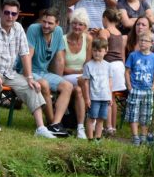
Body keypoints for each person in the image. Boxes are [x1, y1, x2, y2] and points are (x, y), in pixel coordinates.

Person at [0, 0, 58, 139]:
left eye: (13, 14)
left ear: (18, 15)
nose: (10, 16)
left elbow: (25, 54)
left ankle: (40, 127)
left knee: (32, 86)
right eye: (7, 13)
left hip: (9, 73)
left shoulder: (18, 28)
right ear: (1, 12)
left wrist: (30, 77)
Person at [27, 9, 74, 135]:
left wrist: (59, 81)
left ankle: (55, 125)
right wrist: (29, 76)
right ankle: (52, 122)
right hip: (28, 69)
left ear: (57, 23)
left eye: (50, 23)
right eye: (44, 22)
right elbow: (27, 55)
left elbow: (59, 59)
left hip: (43, 71)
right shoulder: (33, 29)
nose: (46, 26)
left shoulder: (58, 32)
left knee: (67, 86)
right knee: (44, 84)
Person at [125, 31, 154, 145]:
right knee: (133, 113)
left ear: (151, 43)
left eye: (145, 41)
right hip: (135, 88)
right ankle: (135, 136)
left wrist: (153, 87)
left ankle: (143, 136)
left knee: (146, 114)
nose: (142, 43)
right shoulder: (133, 55)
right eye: (141, 40)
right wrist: (129, 86)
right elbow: (127, 71)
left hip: (147, 90)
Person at [62, 9, 91, 139]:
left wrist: (82, 73)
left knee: (79, 90)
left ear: (85, 27)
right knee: (83, 80)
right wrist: (79, 72)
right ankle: (90, 109)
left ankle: (80, 128)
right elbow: (62, 68)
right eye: (74, 23)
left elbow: (88, 64)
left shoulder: (88, 39)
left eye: (80, 24)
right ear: (70, 23)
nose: (77, 27)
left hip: (81, 80)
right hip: (65, 77)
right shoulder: (63, 39)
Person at [98, 8, 126, 135]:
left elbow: (103, 48)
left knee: (107, 97)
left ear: (105, 18)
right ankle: (113, 126)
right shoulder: (119, 33)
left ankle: (108, 126)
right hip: (119, 65)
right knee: (113, 97)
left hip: (109, 65)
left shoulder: (105, 31)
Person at [82, 39, 112, 141]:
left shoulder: (108, 65)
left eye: (99, 51)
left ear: (105, 51)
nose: (97, 53)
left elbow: (110, 82)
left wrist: (110, 96)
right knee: (91, 118)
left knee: (101, 119)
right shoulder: (88, 65)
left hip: (105, 97)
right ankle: (90, 139)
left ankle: (98, 138)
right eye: (94, 50)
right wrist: (87, 98)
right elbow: (86, 83)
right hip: (94, 97)